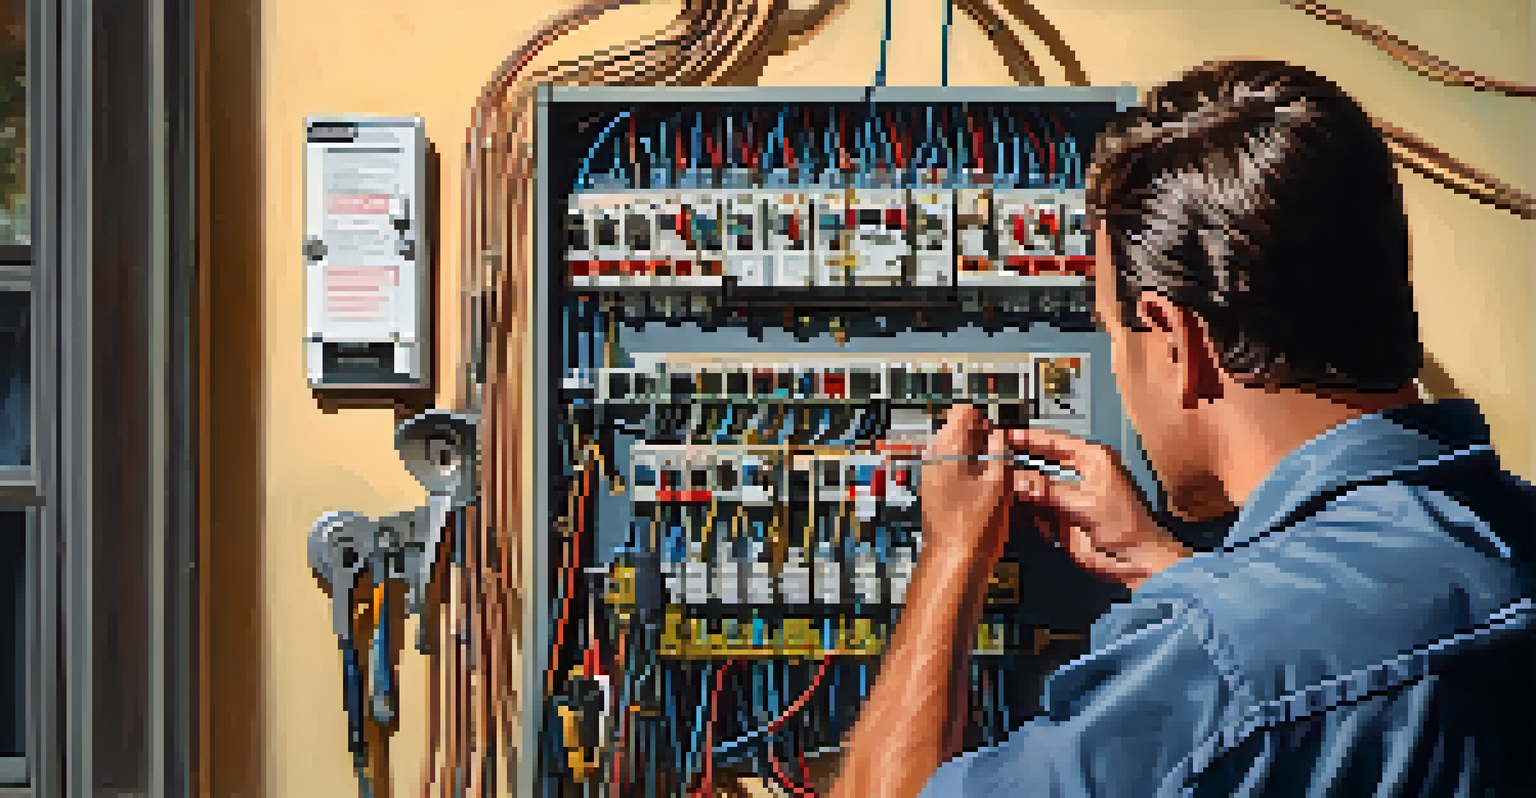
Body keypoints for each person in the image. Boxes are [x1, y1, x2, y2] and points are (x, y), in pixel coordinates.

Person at [829, 60, 1536, 797]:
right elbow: (1336, 648)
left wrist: (952, 552)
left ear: (1175, 342)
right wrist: (1159, 562)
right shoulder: (1506, 537)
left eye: (1111, 331)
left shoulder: (1209, 661)